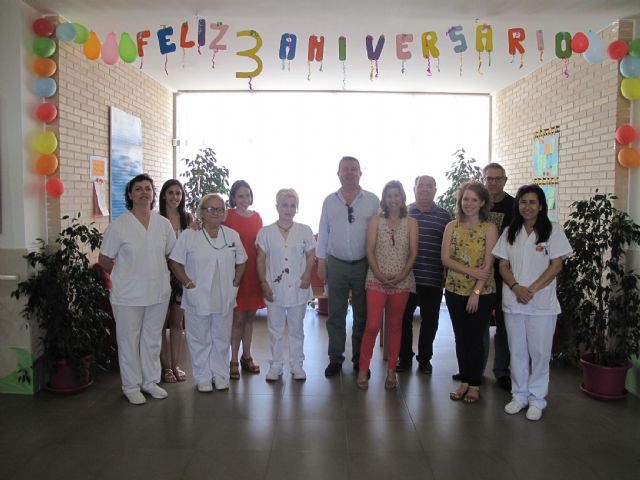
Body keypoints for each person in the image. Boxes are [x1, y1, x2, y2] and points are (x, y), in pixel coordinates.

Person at [492, 184, 572, 421]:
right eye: (523, 202)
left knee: (539, 353)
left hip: (541, 304)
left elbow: (556, 265)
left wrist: (531, 290)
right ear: (518, 204)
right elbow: (502, 264)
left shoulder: (553, 230)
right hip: (514, 300)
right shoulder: (510, 231)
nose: (527, 207)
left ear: (541, 206)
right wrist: (517, 288)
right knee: (516, 350)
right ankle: (520, 395)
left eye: (532, 202)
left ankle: (538, 399)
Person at [98, 173, 176, 405]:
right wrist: (124, 276)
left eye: (148, 189)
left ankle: (150, 382)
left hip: (158, 292)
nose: (144, 193)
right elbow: (104, 259)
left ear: (153, 195)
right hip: (128, 295)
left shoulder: (163, 225)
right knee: (129, 340)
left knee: (152, 338)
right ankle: (131, 385)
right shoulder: (119, 226)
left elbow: (171, 253)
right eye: (139, 189)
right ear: (130, 194)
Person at [168, 194, 247, 392]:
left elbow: (242, 259)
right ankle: (203, 377)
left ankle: (220, 375)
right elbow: (174, 261)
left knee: (221, 338)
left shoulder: (231, 235)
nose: (216, 213)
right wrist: (186, 282)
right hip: (198, 294)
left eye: (220, 209)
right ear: (201, 212)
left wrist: (236, 281)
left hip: (224, 295)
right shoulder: (189, 235)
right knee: (198, 338)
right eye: (210, 209)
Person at [317, 156, 380, 377]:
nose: (350, 172)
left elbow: (380, 233)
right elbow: (323, 233)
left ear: (361, 173)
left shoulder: (372, 201)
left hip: (365, 264)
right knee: (336, 314)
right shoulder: (329, 201)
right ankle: (335, 358)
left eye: (354, 169)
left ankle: (359, 360)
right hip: (336, 264)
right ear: (338, 173)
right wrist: (321, 262)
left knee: (363, 314)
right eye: (345, 169)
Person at [357, 181, 417, 390]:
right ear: (384, 199)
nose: (393, 199)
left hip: (402, 281)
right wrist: (380, 275)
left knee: (395, 326)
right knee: (372, 325)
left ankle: (391, 371)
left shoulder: (411, 223)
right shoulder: (376, 221)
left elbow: (413, 253)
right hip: (376, 280)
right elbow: (369, 250)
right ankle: (363, 369)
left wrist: (401, 275)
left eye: (397, 195)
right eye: (390, 196)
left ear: (402, 198)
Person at [441, 181, 498, 404]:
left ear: (482, 202)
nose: (469, 203)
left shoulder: (489, 228)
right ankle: (464, 381)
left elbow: (488, 264)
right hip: (454, 290)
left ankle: (474, 385)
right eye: (466, 199)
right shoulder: (451, 226)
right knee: (461, 338)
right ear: (460, 201)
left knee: (475, 339)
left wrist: (475, 291)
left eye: (474, 199)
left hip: (481, 293)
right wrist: (469, 271)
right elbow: (445, 259)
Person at [256, 189, 316, 382]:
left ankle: (297, 364)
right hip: (275, 288)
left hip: (299, 287)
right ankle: (276, 365)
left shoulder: (304, 230)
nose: (288, 209)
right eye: (284, 205)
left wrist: (307, 275)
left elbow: (311, 255)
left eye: (292, 205)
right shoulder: (265, 233)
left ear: (296, 208)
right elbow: (260, 259)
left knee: (297, 328)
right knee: (275, 328)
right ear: (277, 206)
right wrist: (263, 283)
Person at [397, 175, 451, 374]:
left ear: (435, 190)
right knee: (404, 320)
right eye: (421, 186)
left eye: (429, 186)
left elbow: (450, 247)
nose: (425, 189)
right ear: (414, 189)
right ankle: (404, 358)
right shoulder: (405, 212)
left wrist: (446, 276)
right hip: (407, 278)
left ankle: (425, 358)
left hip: (433, 279)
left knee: (430, 321)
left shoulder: (445, 216)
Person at [223, 180, 266, 379]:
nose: (244, 199)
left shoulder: (257, 217)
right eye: (240, 196)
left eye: (247, 195)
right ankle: (233, 359)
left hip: (253, 272)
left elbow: (261, 246)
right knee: (238, 318)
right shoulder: (227, 215)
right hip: (235, 272)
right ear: (233, 197)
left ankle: (246, 356)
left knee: (250, 317)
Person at [482, 162, 516, 391]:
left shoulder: (515, 206)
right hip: (480, 274)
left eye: (497, 178)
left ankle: (502, 371)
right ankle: (473, 368)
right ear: (483, 180)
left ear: (504, 180)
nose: (493, 182)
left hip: (504, 275)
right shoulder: (476, 202)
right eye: (489, 178)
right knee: (479, 325)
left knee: (504, 326)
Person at [158, 179, 195, 384]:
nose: (174, 197)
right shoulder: (157, 220)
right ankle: (165, 369)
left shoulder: (187, 218)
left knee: (177, 323)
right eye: (171, 193)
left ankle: (175, 365)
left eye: (178, 193)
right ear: (164, 195)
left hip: (181, 276)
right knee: (161, 324)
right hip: (161, 276)